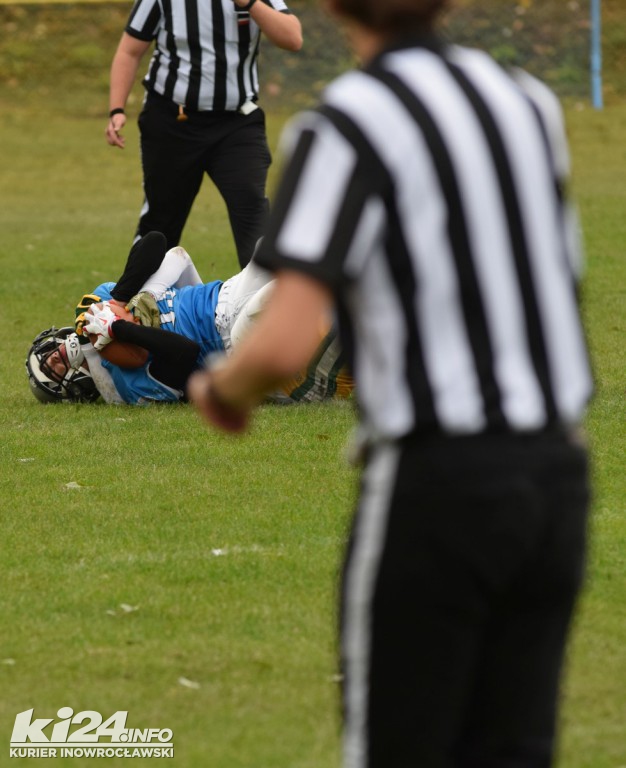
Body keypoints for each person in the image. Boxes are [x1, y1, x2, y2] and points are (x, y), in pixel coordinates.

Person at [188, 0, 594, 765]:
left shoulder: (346, 123)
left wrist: (219, 390)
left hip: (441, 482)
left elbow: (282, 344)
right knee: (515, 748)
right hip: (558, 478)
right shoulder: (528, 103)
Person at [27, 235, 351, 406]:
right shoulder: (126, 391)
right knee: (282, 293)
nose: (56, 355)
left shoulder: (101, 305)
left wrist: (124, 301)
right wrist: (118, 329)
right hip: (233, 342)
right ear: (74, 389)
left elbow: (158, 243)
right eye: (53, 368)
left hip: (226, 293)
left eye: (50, 354)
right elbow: (186, 350)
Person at [106, 0, 303, 268]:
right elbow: (129, 51)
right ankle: (134, 300)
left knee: (252, 209)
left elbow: (292, 38)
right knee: (161, 220)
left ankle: (261, 302)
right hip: (173, 121)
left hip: (237, 122)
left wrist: (250, 3)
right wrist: (117, 108)